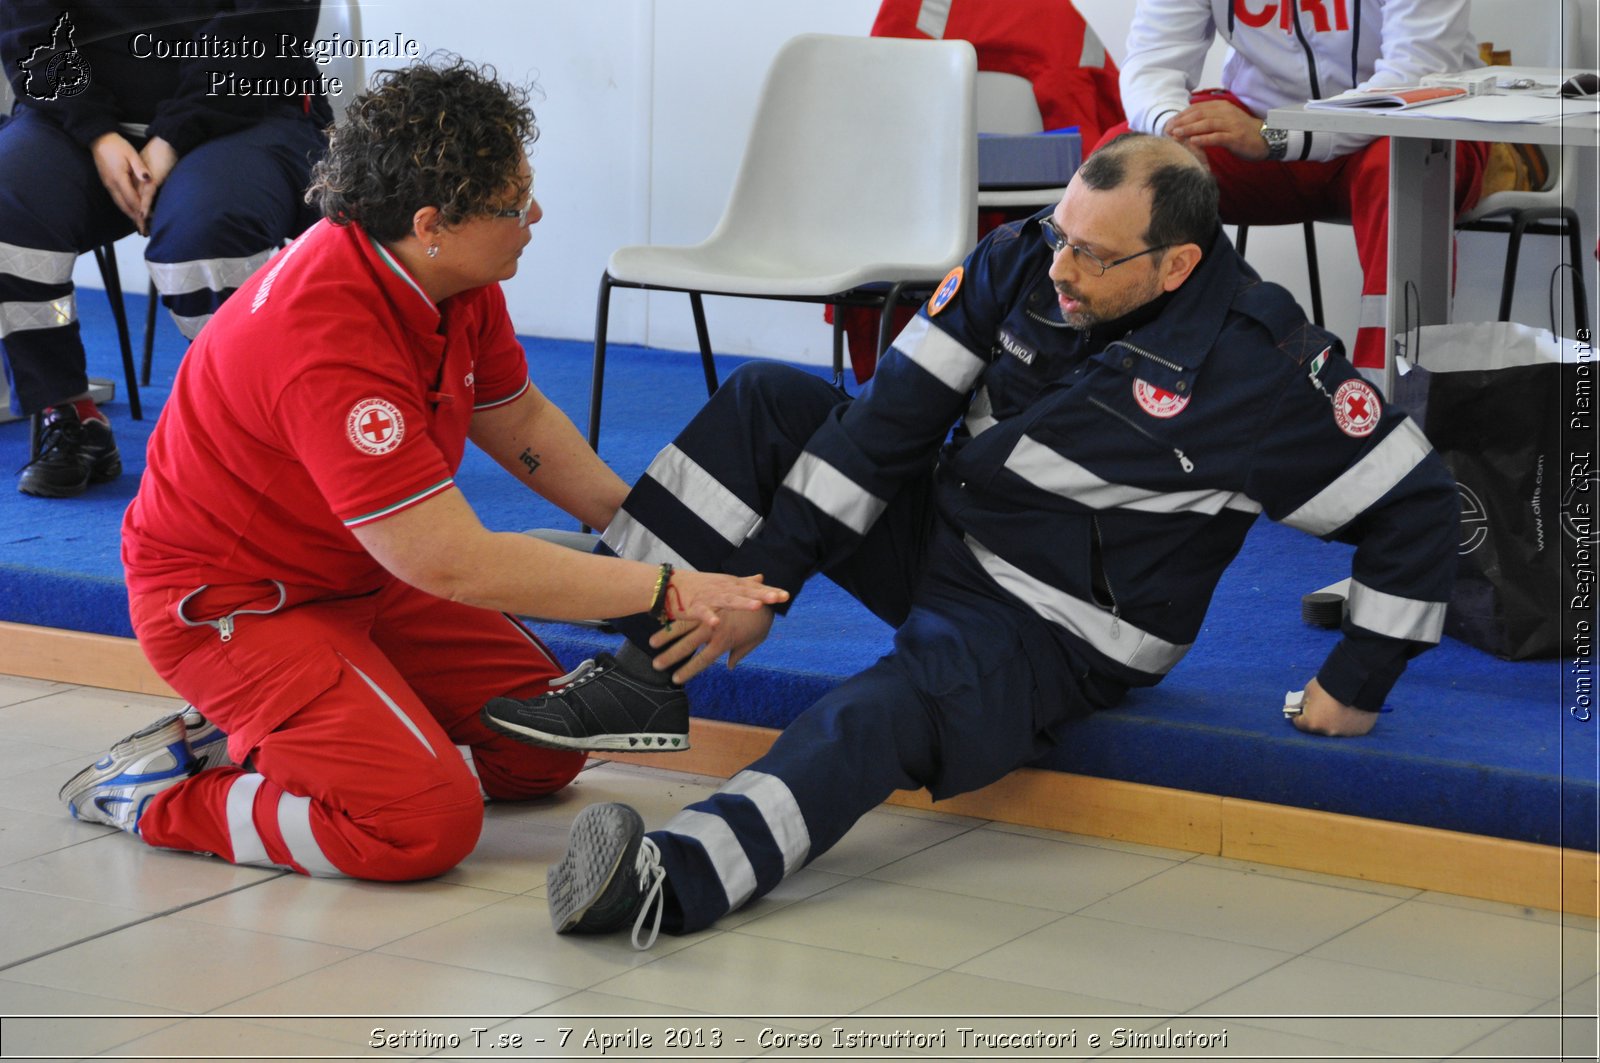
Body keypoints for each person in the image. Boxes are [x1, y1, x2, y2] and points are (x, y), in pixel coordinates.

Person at [484, 132, 1459, 951]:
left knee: (877, 708)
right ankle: (635, 664)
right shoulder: (1023, 255)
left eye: (1094, 256)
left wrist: (1360, 678)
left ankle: (671, 878)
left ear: (1177, 265)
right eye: (1062, 237)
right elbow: (883, 429)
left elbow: (1418, 501)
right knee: (767, 402)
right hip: (950, 532)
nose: (1061, 270)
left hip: (1060, 630)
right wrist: (762, 587)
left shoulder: (1263, 362)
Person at [58, 58, 786, 883]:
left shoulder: (449, 274)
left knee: (543, 752)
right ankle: (159, 792)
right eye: (516, 203)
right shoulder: (325, 338)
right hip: (238, 608)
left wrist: (646, 535)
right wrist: (669, 590)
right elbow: (449, 560)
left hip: (360, 567)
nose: (535, 214)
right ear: (432, 219)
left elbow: (518, 421)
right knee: (421, 827)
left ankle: (320, 731)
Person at [0, 1, 335, 497]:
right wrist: (97, 133)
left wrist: (172, 137)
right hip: (79, 122)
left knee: (207, 234)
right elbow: (32, 32)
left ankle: (247, 431)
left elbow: (265, 26)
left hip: (241, 111)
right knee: (7, 209)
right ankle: (70, 412)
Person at [1104, 0, 1489, 374]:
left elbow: (1413, 77)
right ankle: (1134, 381)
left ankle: (1390, 406)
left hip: (1406, 129)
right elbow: (1152, 62)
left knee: (1397, 165)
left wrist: (1278, 135)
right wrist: (1173, 130)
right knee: (1131, 161)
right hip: (1263, 129)